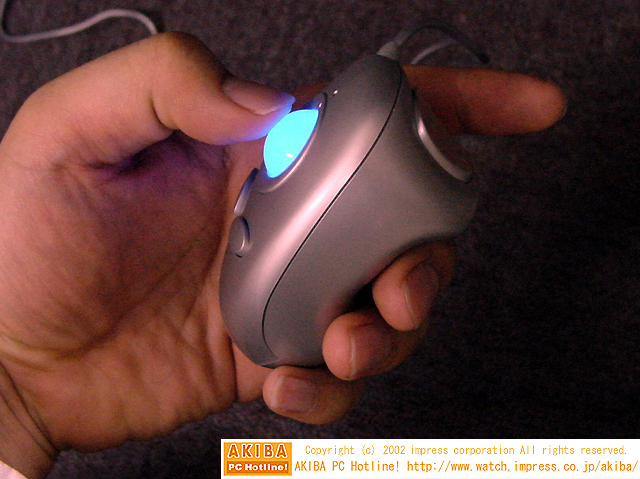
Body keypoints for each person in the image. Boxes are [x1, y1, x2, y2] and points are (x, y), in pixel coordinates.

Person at [0, 32, 566, 479]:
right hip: (261, 311)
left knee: (385, 309)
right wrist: (18, 392)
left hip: (259, 307)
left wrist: (20, 389)